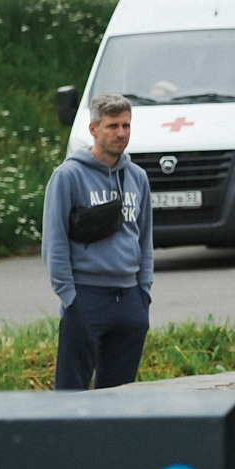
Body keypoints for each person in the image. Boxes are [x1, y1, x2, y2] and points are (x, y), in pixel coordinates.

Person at [43, 94, 154, 390]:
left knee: (118, 396)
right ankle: (66, 438)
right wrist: (69, 296)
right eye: (112, 126)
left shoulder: (138, 178)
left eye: (126, 126)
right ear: (94, 129)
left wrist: (143, 293)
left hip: (130, 299)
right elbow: (54, 242)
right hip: (86, 296)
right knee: (71, 393)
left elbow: (145, 239)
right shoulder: (68, 176)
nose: (121, 133)